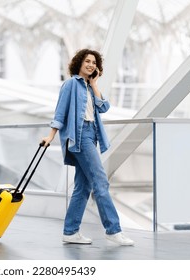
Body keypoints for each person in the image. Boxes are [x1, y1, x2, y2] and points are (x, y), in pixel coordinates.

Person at [41, 49, 134, 246]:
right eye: (87, 61)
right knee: (100, 181)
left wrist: (94, 83)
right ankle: (113, 230)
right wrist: (50, 136)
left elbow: (104, 107)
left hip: (92, 136)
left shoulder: (90, 87)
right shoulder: (70, 85)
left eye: (94, 62)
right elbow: (60, 113)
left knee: (83, 186)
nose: (91, 65)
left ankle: (70, 231)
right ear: (79, 63)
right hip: (80, 135)